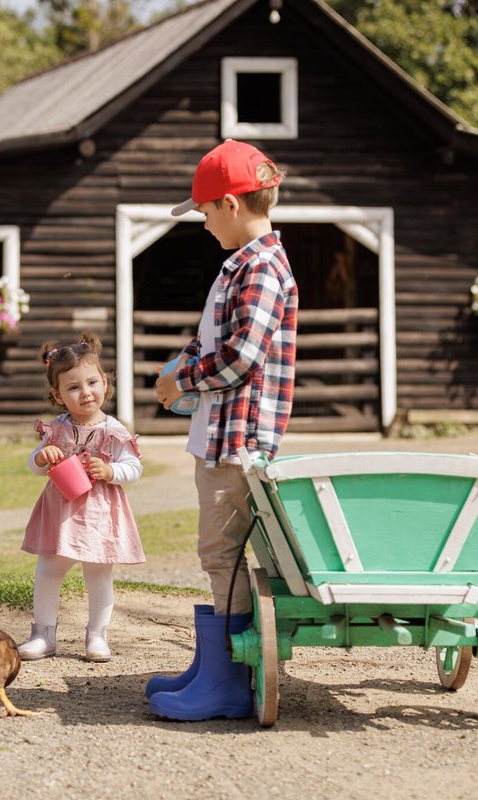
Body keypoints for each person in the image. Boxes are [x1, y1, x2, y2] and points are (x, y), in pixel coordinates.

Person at [149, 139, 297, 721]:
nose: (206, 224)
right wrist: (177, 369)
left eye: (206, 212)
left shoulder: (260, 267)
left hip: (236, 441)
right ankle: (211, 667)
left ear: (231, 204)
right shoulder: (241, 266)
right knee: (220, 551)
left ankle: (228, 682)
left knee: (222, 553)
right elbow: (217, 341)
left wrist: (183, 379)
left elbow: (241, 358)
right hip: (221, 433)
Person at [19, 331, 145, 663]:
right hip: (61, 512)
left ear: (104, 383)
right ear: (57, 395)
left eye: (91, 383)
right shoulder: (56, 429)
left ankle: (97, 635)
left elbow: (134, 467)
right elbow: (34, 466)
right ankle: (43, 634)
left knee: (98, 573)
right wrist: (42, 457)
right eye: (73, 387)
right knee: (48, 570)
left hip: (99, 514)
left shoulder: (113, 430)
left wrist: (112, 472)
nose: (85, 392)